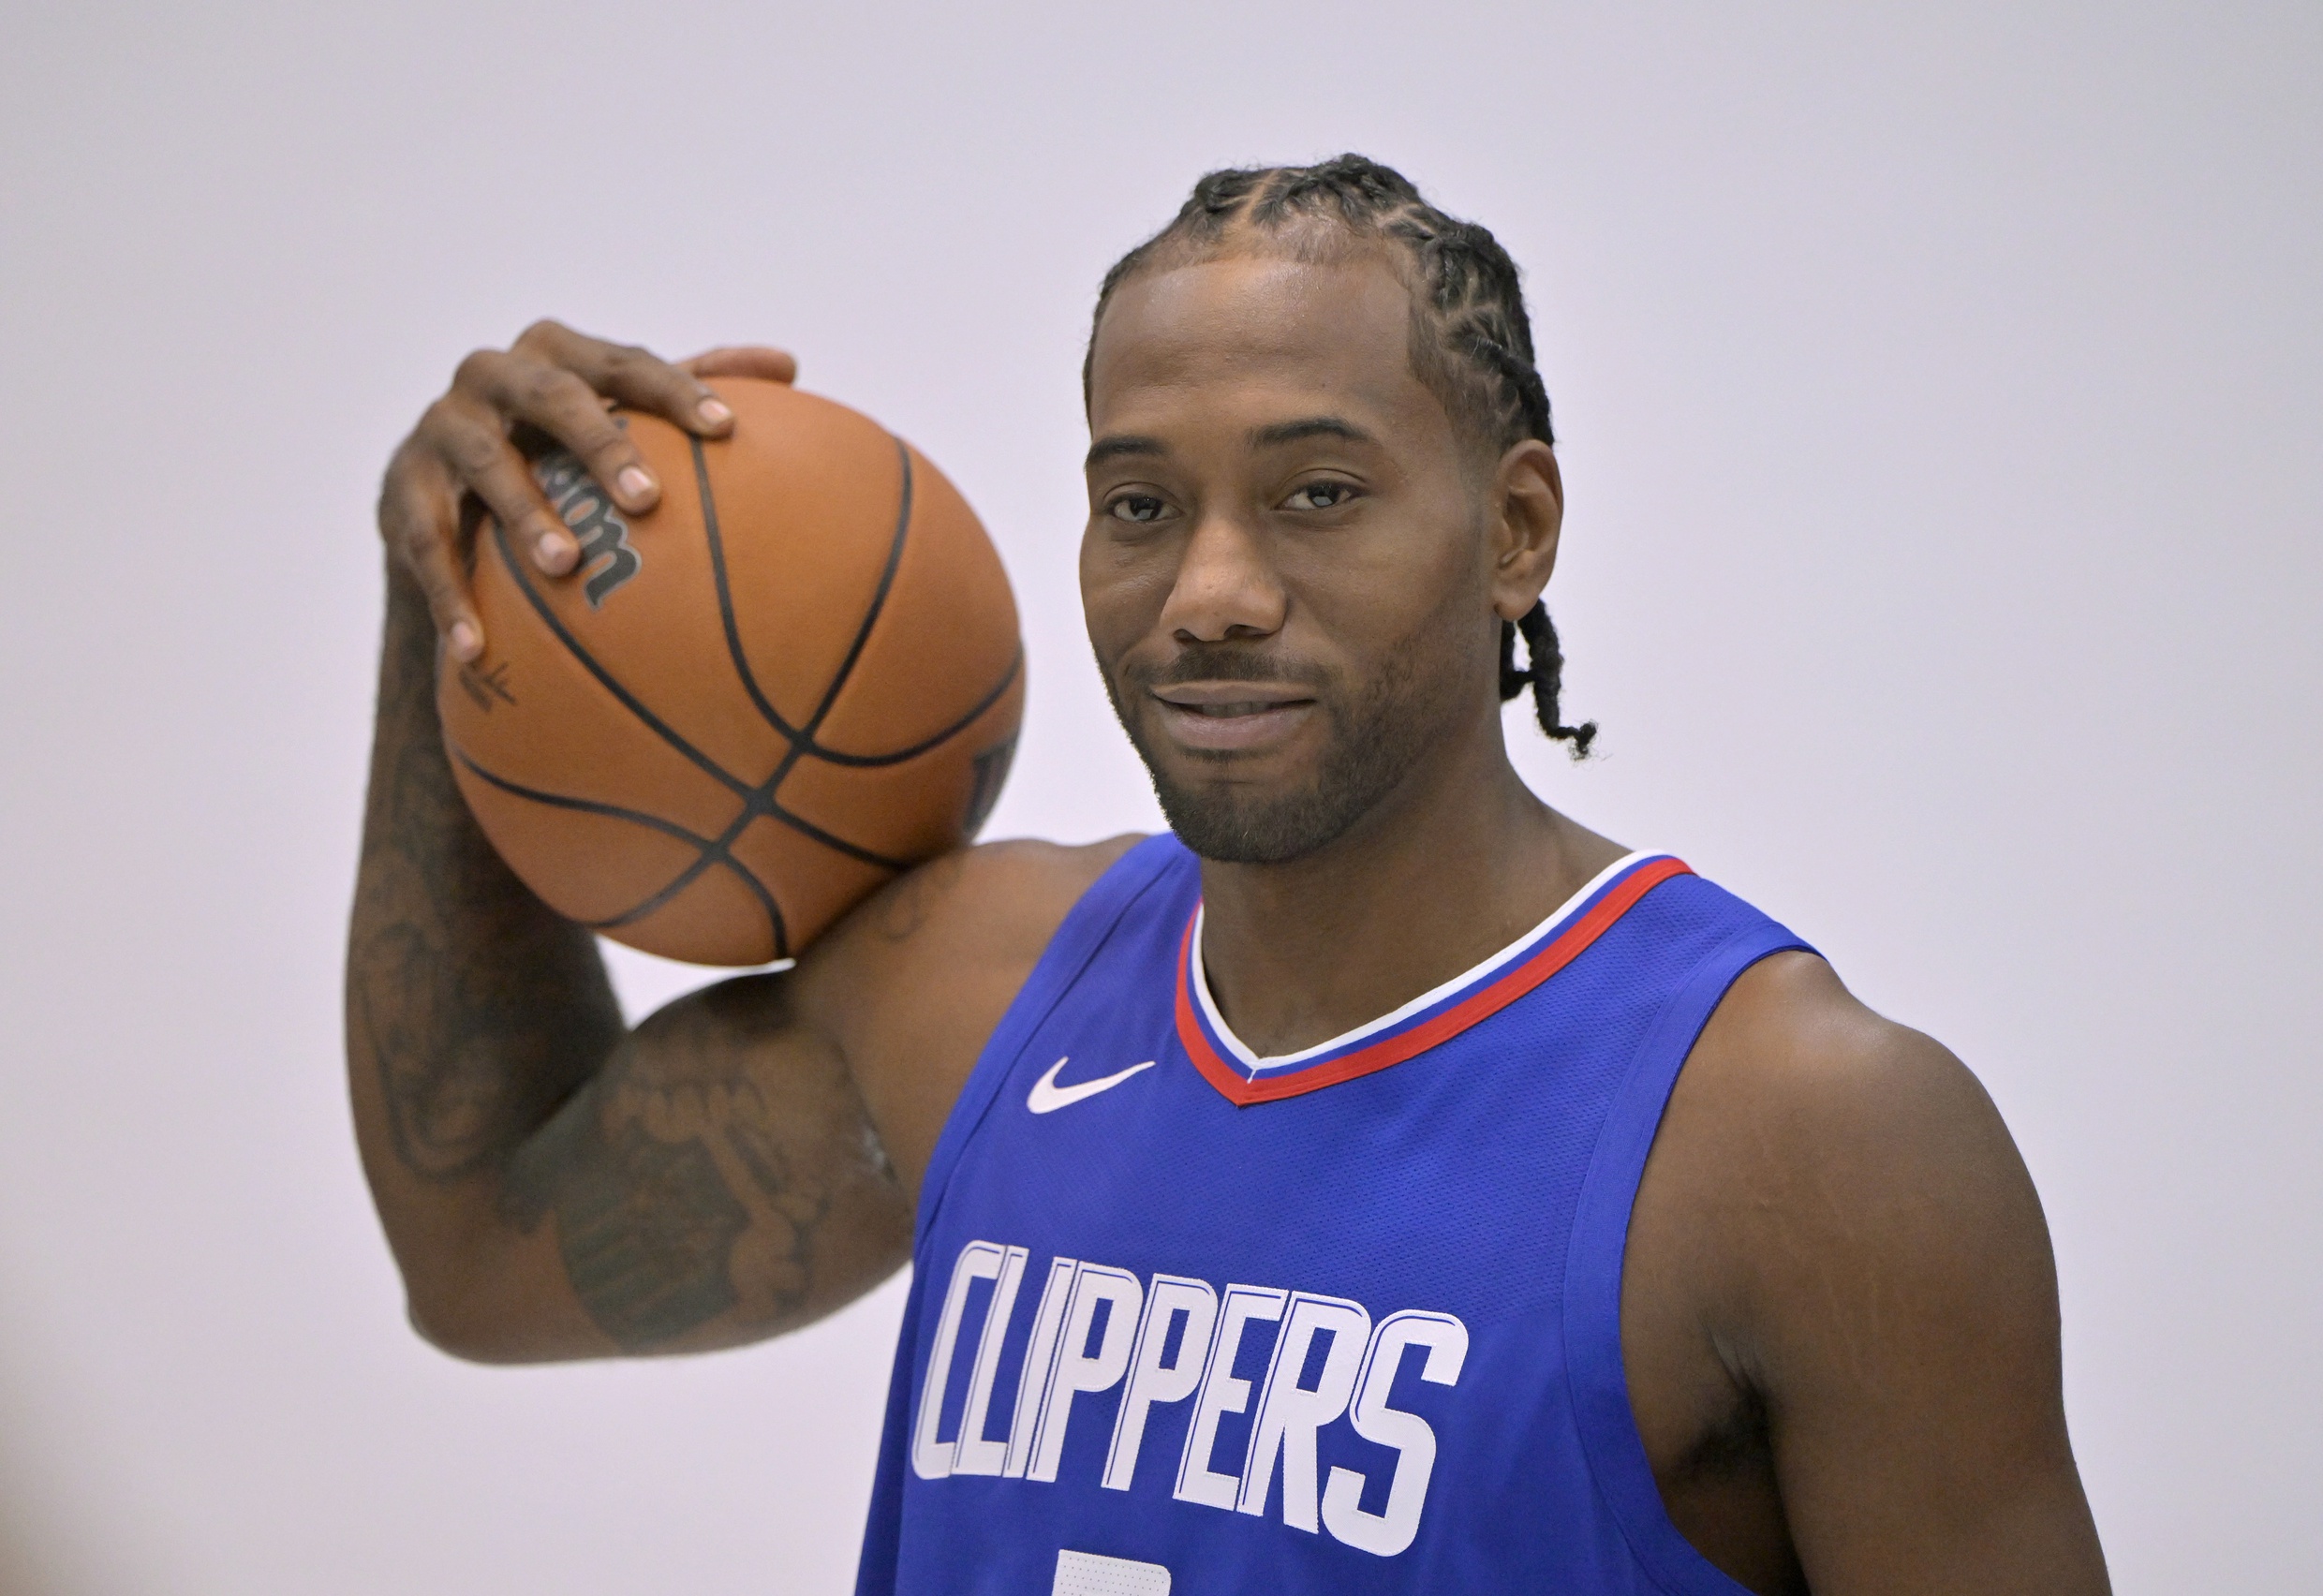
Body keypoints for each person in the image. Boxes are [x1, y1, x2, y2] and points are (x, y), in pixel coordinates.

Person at [349, 156, 2110, 1595]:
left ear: (1516, 530)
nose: (1207, 592)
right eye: (1138, 504)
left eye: (1318, 493)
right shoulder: (971, 986)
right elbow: (483, 1252)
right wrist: (448, 606)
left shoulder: (1808, 1142)